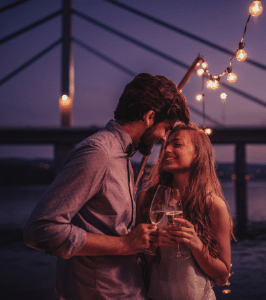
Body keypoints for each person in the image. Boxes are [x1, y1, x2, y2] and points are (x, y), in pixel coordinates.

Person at [23, 73, 190, 300]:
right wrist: (124, 244)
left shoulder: (122, 156)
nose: (163, 137)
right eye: (166, 128)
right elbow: (41, 230)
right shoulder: (99, 153)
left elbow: (107, 226)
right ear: (150, 116)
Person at [136, 123, 234, 300]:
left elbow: (222, 276)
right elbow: (139, 266)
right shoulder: (146, 199)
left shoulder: (213, 205)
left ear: (198, 154)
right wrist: (152, 245)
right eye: (166, 145)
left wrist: (195, 243)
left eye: (177, 144)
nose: (166, 150)